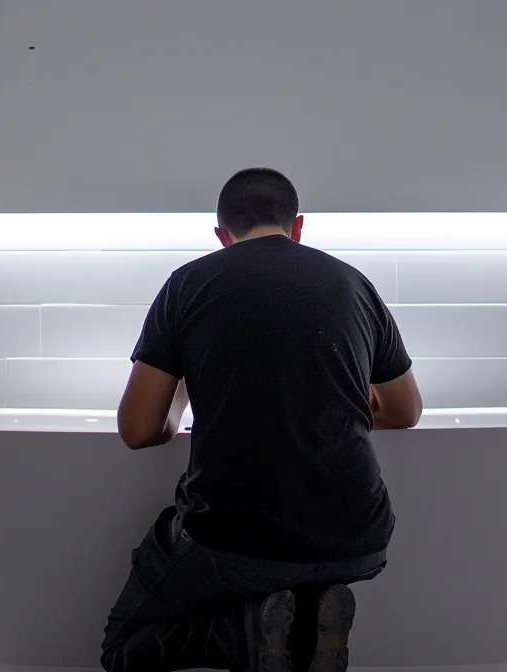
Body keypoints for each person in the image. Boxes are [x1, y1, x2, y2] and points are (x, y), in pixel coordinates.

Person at [100, 168, 424, 672]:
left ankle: (239, 635)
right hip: (359, 540)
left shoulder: (190, 283)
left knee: (121, 646)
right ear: (297, 227)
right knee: (287, 597)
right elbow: (406, 411)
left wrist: (183, 395)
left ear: (220, 236)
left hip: (236, 545)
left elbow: (138, 429)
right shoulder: (352, 282)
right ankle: (306, 621)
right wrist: (336, 400)